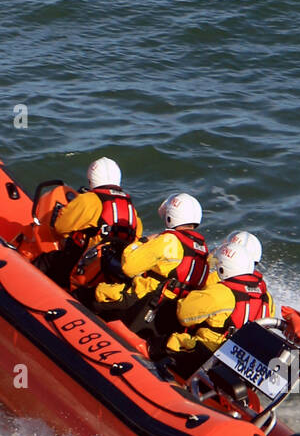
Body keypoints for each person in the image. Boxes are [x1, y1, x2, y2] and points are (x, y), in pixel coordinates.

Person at [94, 192, 209, 336]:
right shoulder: (203, 251)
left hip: (140, 302)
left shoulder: (168, 241)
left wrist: (143, 241)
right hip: (167, 314)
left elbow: (128, 267)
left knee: (93, 293)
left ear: (170, 217)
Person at [165, 231, 274, 364]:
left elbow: (184, 314)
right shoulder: (266, 297)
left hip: (207, 353)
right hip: (237, 360)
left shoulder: (222, 288)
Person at [42, 156, 142, 292]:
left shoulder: (88, 200)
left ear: (91, 179)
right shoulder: (131, 209)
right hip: (112, 271)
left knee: (44, 261)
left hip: (85, 266)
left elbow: (60, 228)